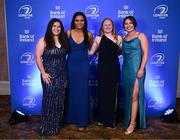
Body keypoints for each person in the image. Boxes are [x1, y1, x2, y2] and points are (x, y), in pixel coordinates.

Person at [35, 18, 68, 135]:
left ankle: (55, 126)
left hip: (62, 76)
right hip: (48, 76)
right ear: (50, 27)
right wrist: (43, 73)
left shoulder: (64, 40)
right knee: (49, 101)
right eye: (54, 26)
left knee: (59, 102)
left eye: (59, 26)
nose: (56, 28)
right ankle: (46, 127)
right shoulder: (43, 40)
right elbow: (38, 57)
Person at [88, 17, 122, 128]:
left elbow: (124, 52)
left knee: (112, 94)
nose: (107, 26)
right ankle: (102, 119)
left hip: (114, 69)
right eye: (105, 25)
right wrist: (78, 48)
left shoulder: (119, 38)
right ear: (102, 26)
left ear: (113, 26)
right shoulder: (98, 38)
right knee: (102, 94)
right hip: (102, 69)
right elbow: (91, 52)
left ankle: (110, 120)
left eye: (109, 25)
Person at [66, 11, 93, 131]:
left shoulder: (89, 34)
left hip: (84, 66)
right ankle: (71, 118)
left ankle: (82, 121)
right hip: (71, 65)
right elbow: (62, 48)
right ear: (73, 21)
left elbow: (93, 49)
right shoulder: (68, 32)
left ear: (85, 21)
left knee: (83, 91)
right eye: (77, 20)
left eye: (82, 20)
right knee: (72, 90)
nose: (79, 22)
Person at [122, 16, 148, 135]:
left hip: (137, 70)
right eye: (126, 24)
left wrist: (141, 68)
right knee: (129, 96)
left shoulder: (140, 36)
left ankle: (133, 124)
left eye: (130, 23)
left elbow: (146, 53)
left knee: (134, 96)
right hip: (126, 70)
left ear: (134, 24)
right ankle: (129, 120)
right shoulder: (123, 38)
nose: (128, 25)